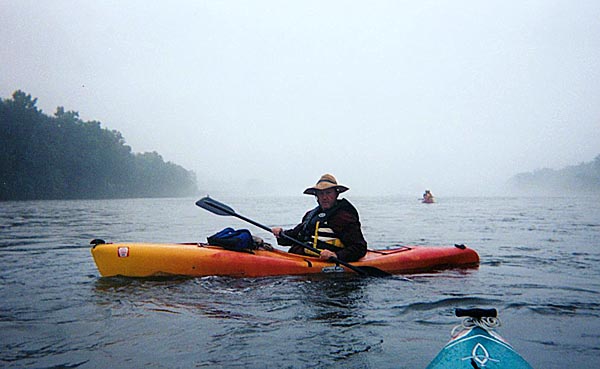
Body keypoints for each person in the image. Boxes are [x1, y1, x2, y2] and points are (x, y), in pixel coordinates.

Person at [271, 174, 367, 262]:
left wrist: (336, 255)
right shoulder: (310, 215)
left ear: (336, 194)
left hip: (326, 266)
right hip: (301, 257)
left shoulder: (343, 217)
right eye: (321, 194)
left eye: (328, 193)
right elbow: (296, 235)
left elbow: (359, 247)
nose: (324, 197)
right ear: (316, 196)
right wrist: (280, 234)